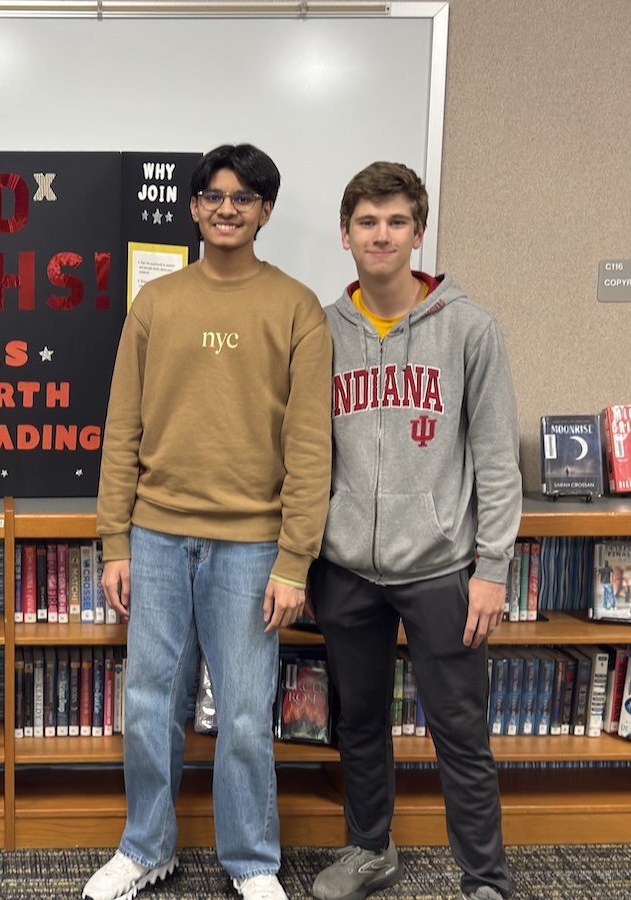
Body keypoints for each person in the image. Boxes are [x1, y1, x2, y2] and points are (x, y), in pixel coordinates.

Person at [83, 143, 332, 900]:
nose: (228, 208)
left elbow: (310, 443)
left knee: (249, 714)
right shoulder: (156, 303)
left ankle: (252, 863)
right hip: (156, 537)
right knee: (149, 703)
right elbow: (121, 426)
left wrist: (295, 560)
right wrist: (116, 539)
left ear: (265, 211)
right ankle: (145, 848)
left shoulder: (296, 308)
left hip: (254, 546)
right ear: (193, 207)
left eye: (245, 197)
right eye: (215, 195)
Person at [308, 161, 521, 900]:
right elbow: (303, 454)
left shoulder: (470, 328)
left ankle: (484, 878)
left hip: (440, 571)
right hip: (346, 571)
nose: (381, 234)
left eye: (397, 221)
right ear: (345, 234)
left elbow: (496, 461)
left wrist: (492, 567)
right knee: (359, 723)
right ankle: (371, 852)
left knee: (460, 732)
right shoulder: (322, 330)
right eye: (367, 221)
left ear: (419, 232)